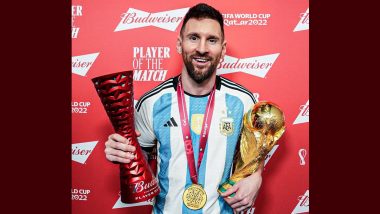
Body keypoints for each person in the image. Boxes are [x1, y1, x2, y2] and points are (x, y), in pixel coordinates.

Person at [105, 3, 263, 214]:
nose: (202, 48)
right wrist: (124, 152)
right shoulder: (153, 102)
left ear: (223, 49)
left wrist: (256, 176)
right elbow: (139, 154)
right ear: (180, 44)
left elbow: (254, 154)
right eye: (194, 37)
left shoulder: (243, 101)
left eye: (212, 40)